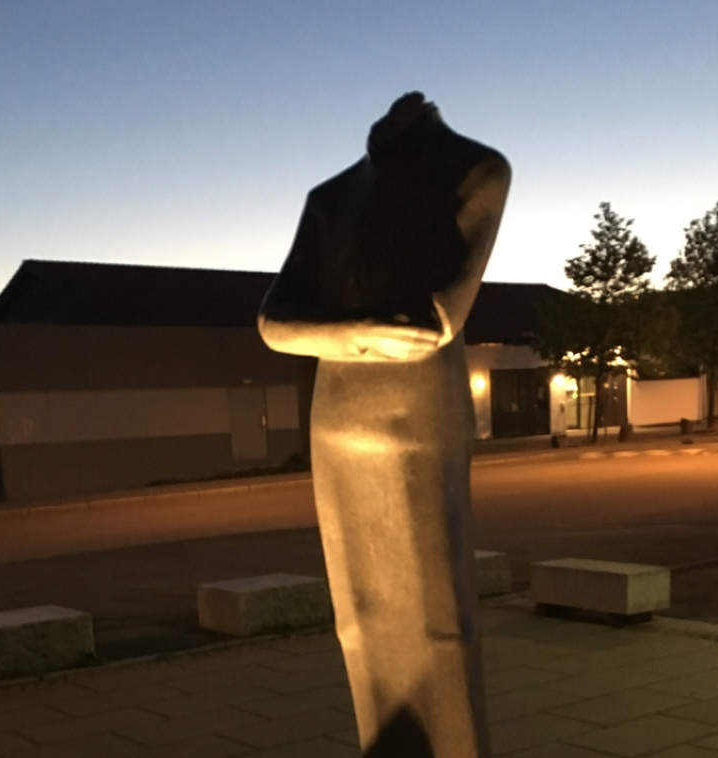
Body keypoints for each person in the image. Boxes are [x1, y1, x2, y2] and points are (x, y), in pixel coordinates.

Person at [259, 92, 510, 757]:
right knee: (359, 616)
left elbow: (439, 318)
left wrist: (334, 332)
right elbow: (273, 321)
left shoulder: (475, 169)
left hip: (418, 413)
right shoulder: (329, 196)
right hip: (338, 418)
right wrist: (365, 330)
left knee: (439, 617)